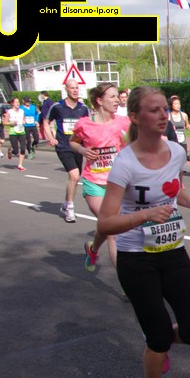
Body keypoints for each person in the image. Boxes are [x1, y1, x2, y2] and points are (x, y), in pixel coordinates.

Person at [96, 86, 190, 378]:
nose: (163, 116)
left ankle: (159, 343)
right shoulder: (125, 163)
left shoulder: (175, 151)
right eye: (153, 110)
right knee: (158, 336)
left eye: (164, 109)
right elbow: (105, 221)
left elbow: (176, 191)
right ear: (134, 117)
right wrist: (144, 215)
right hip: (136, 258)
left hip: (173, 252)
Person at [70, 82, 131, 272]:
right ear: (99, 100)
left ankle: (93, 249)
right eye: (112, 96)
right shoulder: (84, 124)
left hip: (117, 183)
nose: (117, 100)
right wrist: (83, 150)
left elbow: (135, 143)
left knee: (107, 226)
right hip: (94, 183)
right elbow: (73, 142)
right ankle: (125, 281)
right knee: (113, 230)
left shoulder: (123, 122)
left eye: (117, 96)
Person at [44, 79, 90, 223]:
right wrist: (51, 137)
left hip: (78, 147)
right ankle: (70, 208)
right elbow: (46, 122)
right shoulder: (57, 107)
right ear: (66, 89)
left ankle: (66, 203)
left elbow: (88, 127)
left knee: (75, 179)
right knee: (74, 175)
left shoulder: (83, 108)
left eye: (77, 88)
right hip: (63, 146)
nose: (75, 90)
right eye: (72, 88)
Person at [3, 97, 28, 171]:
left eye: (18, 102)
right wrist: (11, 123)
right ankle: (11, 151)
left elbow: (24, 119)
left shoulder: (22, 111)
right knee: (16, 151)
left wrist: (24, 121)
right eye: (16, 102)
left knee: (23, 149)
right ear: (12, 103)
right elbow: (4, 122)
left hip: (22, 131)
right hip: (13, 132)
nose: (18, 103)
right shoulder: (9, 112)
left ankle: (20, 165)